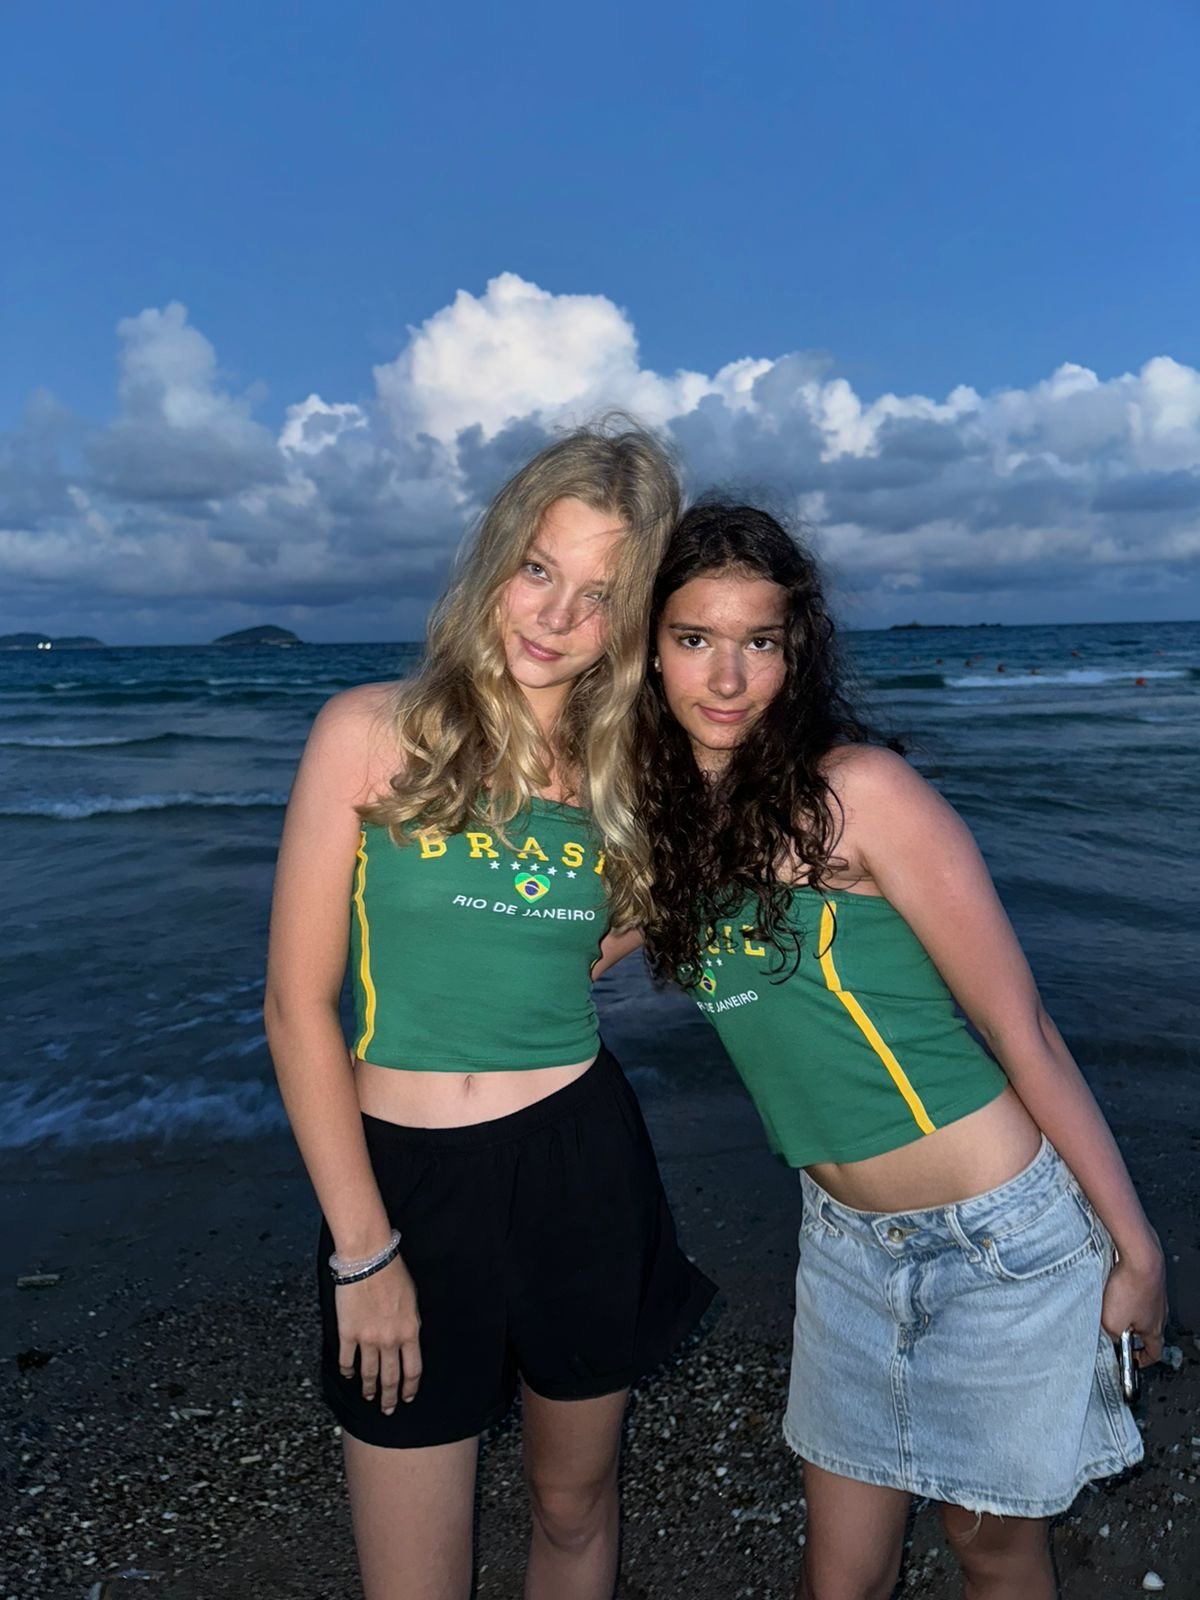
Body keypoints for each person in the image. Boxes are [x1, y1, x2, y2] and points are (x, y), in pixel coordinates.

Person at [635, 502, 1165, 1600]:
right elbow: (546, 952)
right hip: (841, 1245)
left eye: (759, 641)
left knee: (993, 1551)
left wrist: (1138, 1247)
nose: (727, 677)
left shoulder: (859, 793)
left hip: (999, 1243)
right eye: (695, 639)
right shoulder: (670, 830)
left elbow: (1021, 1028)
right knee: (840, 1576)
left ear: (797, 649)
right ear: (649, 650)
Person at [264, 420, 714, 1600]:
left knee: (574, 1510)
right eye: (538, 569)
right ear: (497, 558)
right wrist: (365, 1251)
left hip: (582, 1165)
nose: (556, 617)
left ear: (630, 621)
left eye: (599, 596)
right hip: (404, 1186)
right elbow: (296, 1007)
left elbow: (639, 922)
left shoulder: (630, 780)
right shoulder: (369, 733)